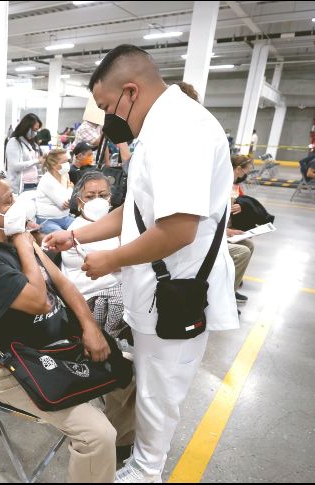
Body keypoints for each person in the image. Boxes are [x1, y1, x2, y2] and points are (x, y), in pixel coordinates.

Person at [44, 44, 238, 483]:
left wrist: (109, 258)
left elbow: (176, 231)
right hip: (155, 289)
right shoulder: (157, 128)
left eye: (109, 106)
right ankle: (142, 464)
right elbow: (134, 210)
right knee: (149, 384)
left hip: (178, 293)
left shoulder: (180, 130)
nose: (108, 119)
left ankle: (147, 473)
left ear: (131, 91)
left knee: (159, 394)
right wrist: (76, 234)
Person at [0, 171, 135, 483]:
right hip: (15, 368)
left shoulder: (12, 239)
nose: (19, 204)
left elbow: (62, 283)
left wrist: (90, 328)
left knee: (131, 376)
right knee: (95, 435)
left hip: (60, 348)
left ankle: (117, 454)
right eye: (10, 200)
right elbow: (40, 301)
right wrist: (24, 242)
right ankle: (103, 455)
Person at [60, 171, 128, 338]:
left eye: (102, 195)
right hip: (91, 296)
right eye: (90, 196)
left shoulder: (109, 224)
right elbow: (121, 264)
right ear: (79, 202)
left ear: (110, 198)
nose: (97, 201)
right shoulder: (78, 231)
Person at [227, 155, 256, 305]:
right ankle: (226, 296)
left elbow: (242, 203)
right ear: (238, 169)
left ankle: (233, 286)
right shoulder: (223, 186)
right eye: (246, 171)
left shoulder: (235, 186)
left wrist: (241, 206)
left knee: (249, 245)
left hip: (226, 229)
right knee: (243, 251)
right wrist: (228, 231)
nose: (246, 175)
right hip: (217, 233)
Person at [34, 148, 75, 232]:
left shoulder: (64, 175)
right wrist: (70, 188)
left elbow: (69, 200)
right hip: (47, 220)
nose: (67, 164)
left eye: (68, 161)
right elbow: (64, 205)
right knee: (63, 237)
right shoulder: (47, 181)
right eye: (64, 162)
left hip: (65, 218)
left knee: (85, 228)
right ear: (53, 165)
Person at [5, 113, 43, 194]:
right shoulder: (14, 142)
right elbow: (14, 166)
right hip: (21, 186)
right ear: (27, 127)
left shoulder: (33, 143)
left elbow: (37, 166)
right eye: (34, 130)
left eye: (37, 130)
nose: (36, 133)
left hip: (34, 183)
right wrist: (36, 161)